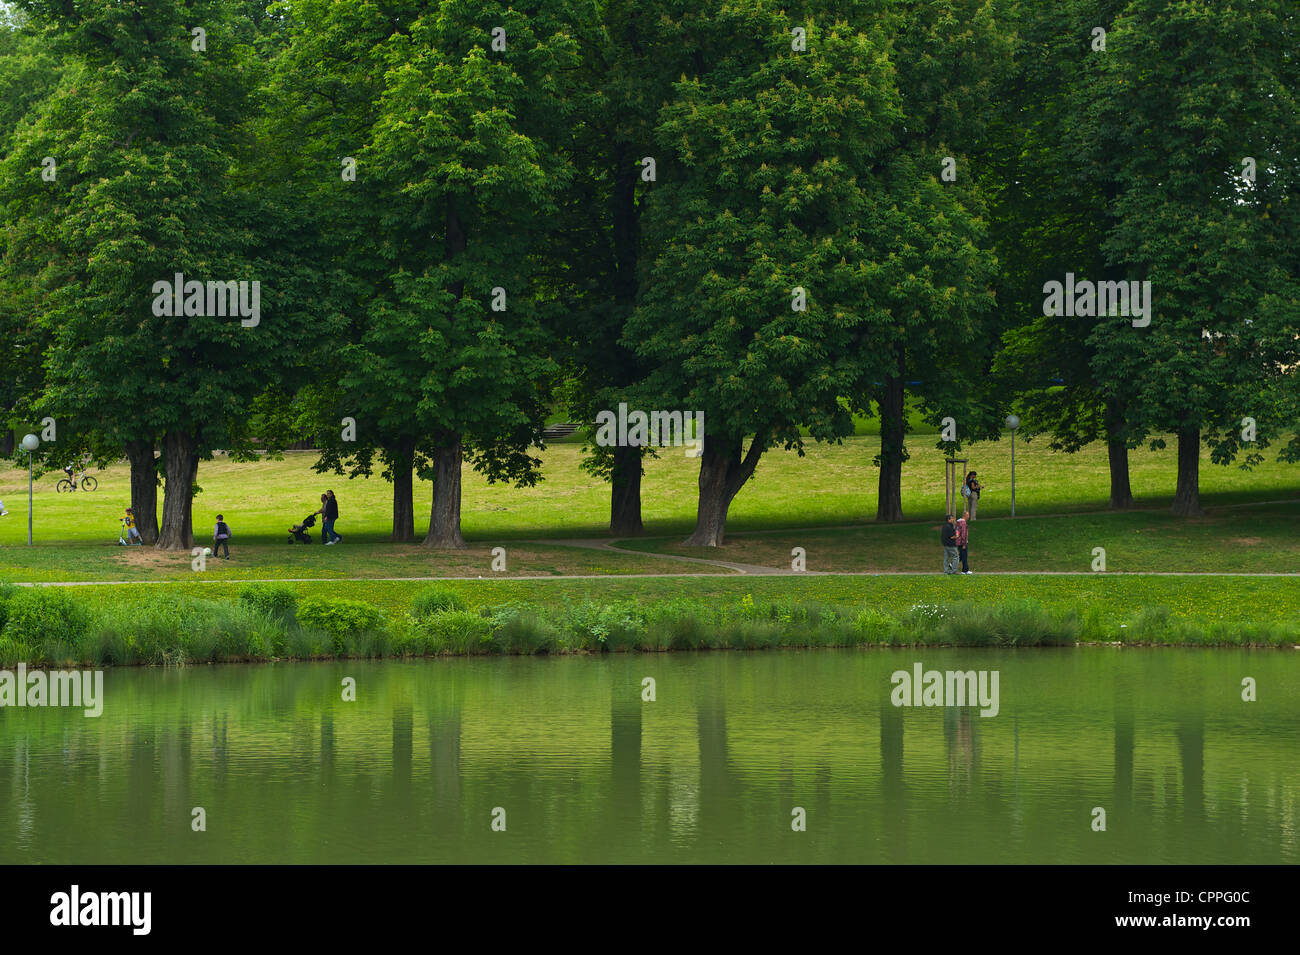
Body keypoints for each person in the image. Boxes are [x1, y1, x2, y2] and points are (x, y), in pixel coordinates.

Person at [956, 510, 972, 574]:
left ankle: (965, 569)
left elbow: (957, 532)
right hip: (962, 543)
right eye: (968, 515)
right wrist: (964, 543)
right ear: (965, 516)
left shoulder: (958, 523)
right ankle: (964, 570)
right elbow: (964, 534)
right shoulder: (963, 523)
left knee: (962, 556)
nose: (968, 516)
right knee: (964, 556)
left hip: (958, 542)